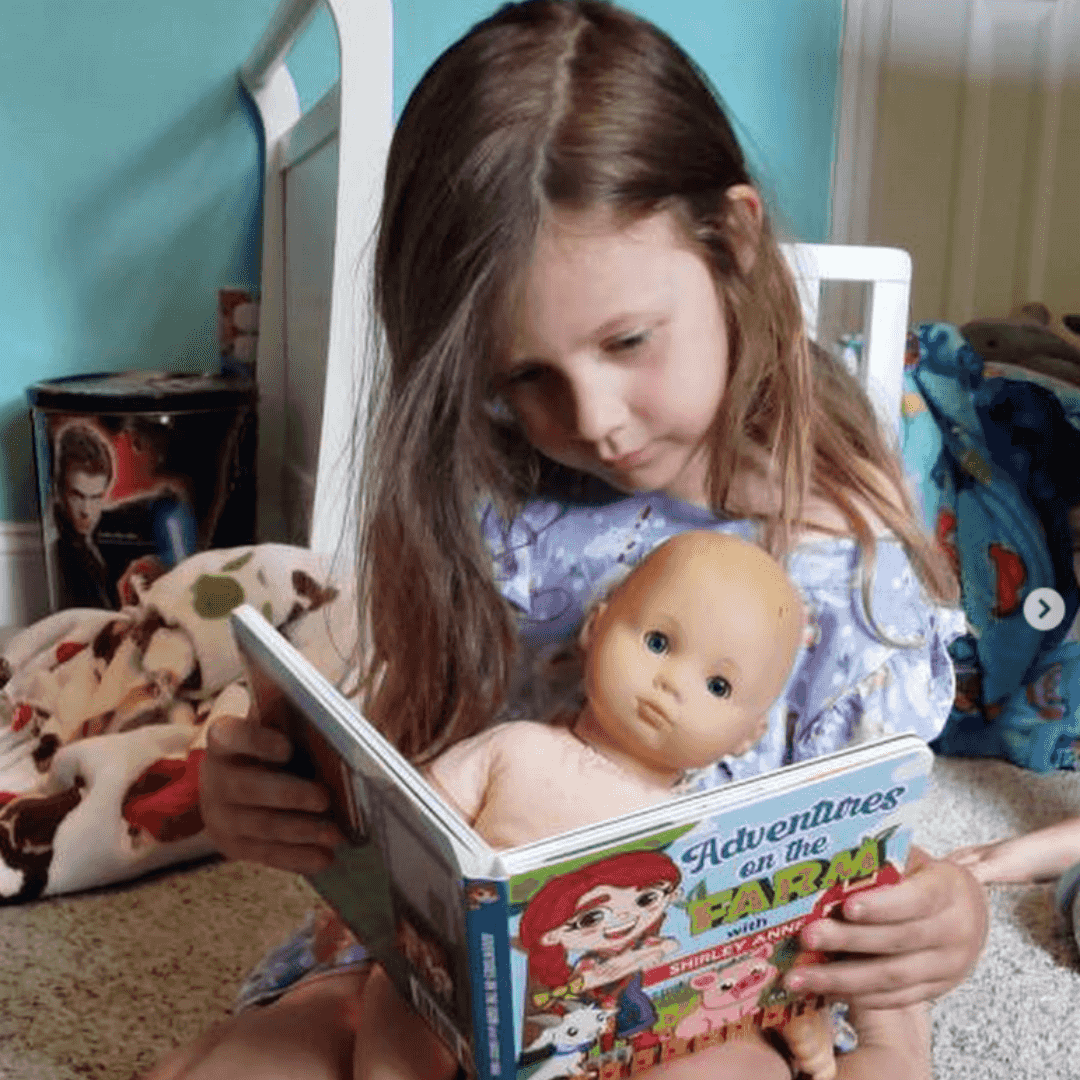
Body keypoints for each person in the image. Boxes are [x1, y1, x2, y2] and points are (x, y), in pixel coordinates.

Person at [143, 2, 988, 1078]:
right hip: (432, 983)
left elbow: (859, 856)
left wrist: (945, 919)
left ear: (731, 241)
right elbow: (407, 774)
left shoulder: (843, 565)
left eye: (627, 341)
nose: (590, 417)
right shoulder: (500, 505)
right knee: (270, 1061)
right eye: (523, 376)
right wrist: (261, 800)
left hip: (688, 1013)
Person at [424, 530, 838, 1079]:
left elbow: (752, 954)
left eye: (717, 686)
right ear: (596, 627)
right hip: (475, 991)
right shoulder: (515, 746)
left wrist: (798, 1015)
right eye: (659, 643)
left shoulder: (714, 835)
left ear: (748, 734)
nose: (671, 684)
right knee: (396, 1003)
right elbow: (414, 824)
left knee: (743, 1066)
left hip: (618, 1038)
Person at [52, 422, 115, 608]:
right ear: (61, 491)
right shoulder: (63, 551)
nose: (86, 510)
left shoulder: (92, 544)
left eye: (96, 497)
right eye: (77, 496)